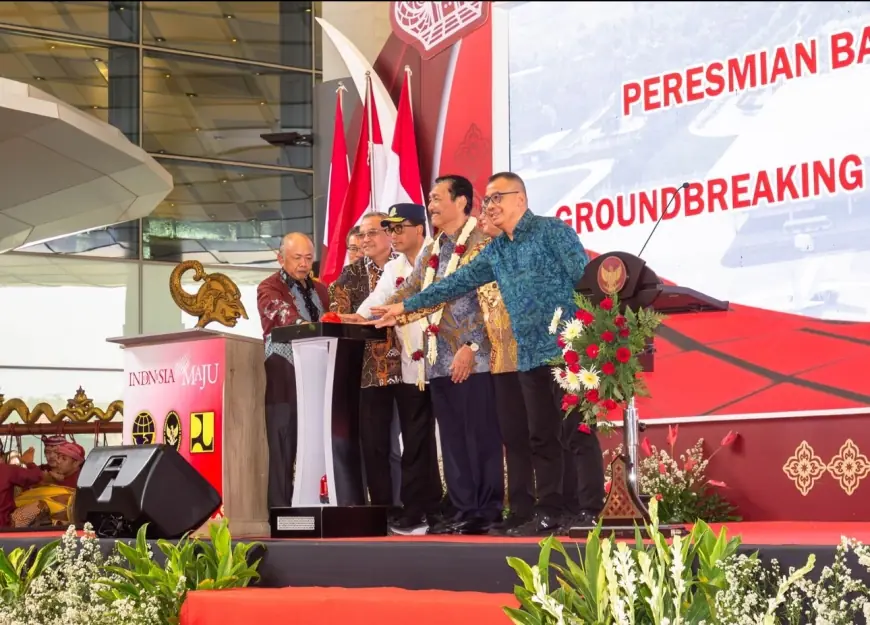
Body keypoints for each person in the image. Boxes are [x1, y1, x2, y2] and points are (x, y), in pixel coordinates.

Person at [375, 171, 605, 536]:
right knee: (541, 437)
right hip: (528, 355)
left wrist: (591, 337)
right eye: (488, 199)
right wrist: (403, 309)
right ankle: (549, 511)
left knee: (576, 432)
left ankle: (589, 509)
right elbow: (452, 284)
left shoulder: (553, 231)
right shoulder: (497, 250)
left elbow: (586, 281)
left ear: (521, 200)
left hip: (567, 350)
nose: (491, 205)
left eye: (499, 197)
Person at [374, 175, 504, 535]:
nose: (430, 205)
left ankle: (488, 512)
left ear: (461, 201)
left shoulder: (484, 241)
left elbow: (492, 302)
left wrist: (472, 345)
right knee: (453, 442)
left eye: (436, 199)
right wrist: (375, 313)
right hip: (438, 361)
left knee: (481, 438)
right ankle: (463, 510)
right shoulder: (433, 250)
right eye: (429, 200)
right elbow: (415, 292)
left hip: (474, 358)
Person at [349, 204, 442, 533]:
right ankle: (421, 508)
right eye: (390, 228)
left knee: (456, 439)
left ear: (420, 229)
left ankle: (454, 507)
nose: (394, 234)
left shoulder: (441, 255)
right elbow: (374, 304)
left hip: (445, 366)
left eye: (400, 228)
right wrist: (349, 319)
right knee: (415, 443)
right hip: (410, 370)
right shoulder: (394, 268)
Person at [330, 213, 414, 515]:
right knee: (378, 446)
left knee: (415, 443)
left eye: (372, 233)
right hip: (370, 372)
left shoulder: (407, 265)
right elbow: (339, 319)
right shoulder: (349, 277)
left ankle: (416, 507)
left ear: (389, 234)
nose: (365, 240)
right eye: (361, 235)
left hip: (411, 368)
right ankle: (384, 510)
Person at [257, 233, 329, 509]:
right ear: (281, 258)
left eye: (308, 258)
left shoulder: (321, 290)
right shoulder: (269, 287)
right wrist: (319, 326)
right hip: (284, 378)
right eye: (296, 258)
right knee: (283, 447)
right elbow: (285, 318)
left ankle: (318, 504)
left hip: (320, 376)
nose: (303, 264)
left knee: (317, 445)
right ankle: (280, 513)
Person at [12, 441, 84, 528]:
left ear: (76, 463)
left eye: (64, 459)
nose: (58, 461)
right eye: (58, 457)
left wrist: (31, 465)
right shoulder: (54, 475)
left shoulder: (80, 482)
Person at [0, 447, 58, 528]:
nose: (52, 456)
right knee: (41, 504)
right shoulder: (6, 469)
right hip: (4, 525)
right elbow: (35, 476)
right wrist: (29, 462)